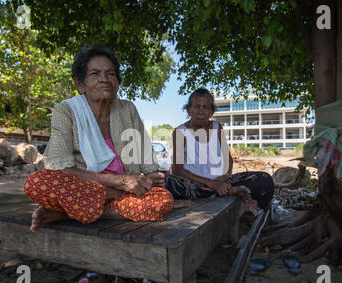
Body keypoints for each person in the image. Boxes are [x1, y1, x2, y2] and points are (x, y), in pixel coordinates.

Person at [24, 45, 174, 232]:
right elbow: (61, 168)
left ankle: (65, 213)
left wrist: (152, 176)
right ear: (80, 83)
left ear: (117, 81)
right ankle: (97, 207)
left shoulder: (127, 109)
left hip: (118, 194)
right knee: (37, 183)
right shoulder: (66, 110)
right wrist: (120, 183)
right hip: (88, 188)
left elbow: (147, 163)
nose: (104, 79)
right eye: (95, 73)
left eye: (111, 74)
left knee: (162, 200)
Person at [165, 88, 274, 215]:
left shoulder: (217, 128)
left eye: (205, 107)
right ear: (188, 110)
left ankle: (226, 192)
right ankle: (229, 191)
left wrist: (225, 177)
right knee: (167, 181)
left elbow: (228, 158)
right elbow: (178, 170)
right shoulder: (179, 132)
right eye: (197, 106)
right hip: (196, 184)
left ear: (212, 112)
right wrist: (211, 184)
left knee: (264, 180)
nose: (201, 111)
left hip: (221, 181)